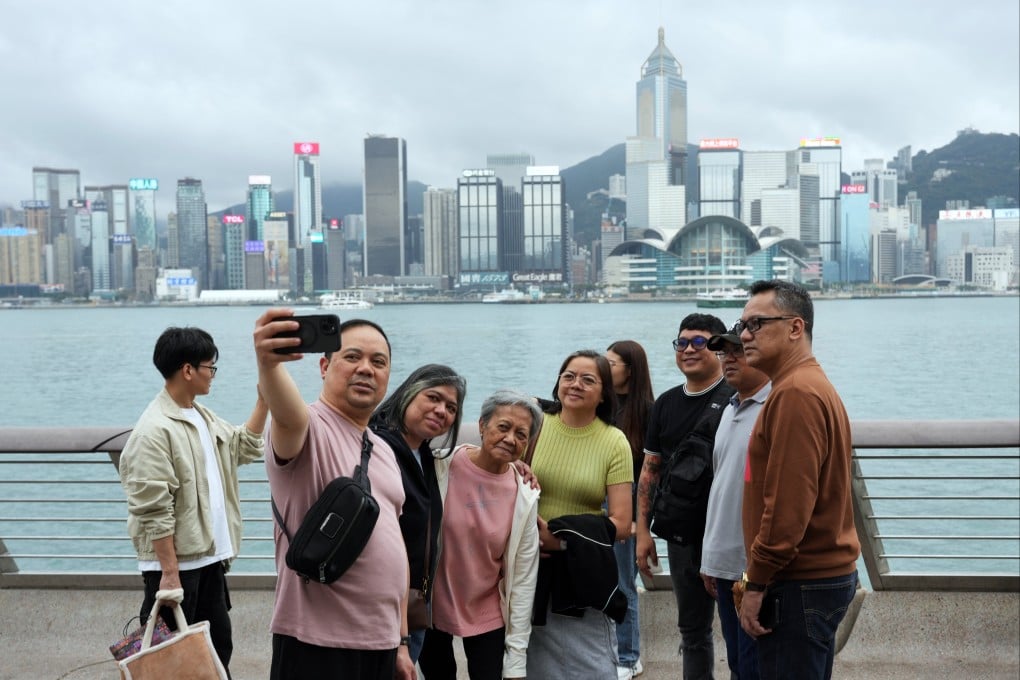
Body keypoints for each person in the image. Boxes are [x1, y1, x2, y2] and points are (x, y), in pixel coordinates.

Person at [253, 310, 415, 680]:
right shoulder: (309, 427)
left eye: (379, 362)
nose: (366, 369)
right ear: (324, 365)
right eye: (352, 357)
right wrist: (269, 364)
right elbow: (287, 414)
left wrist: (401, 640)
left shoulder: (383, 449)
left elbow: (396, 548)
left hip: (381, 642)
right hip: (316, 644)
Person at [119, 326, 267, 675]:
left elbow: (242, 445)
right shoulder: (154, 430)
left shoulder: (200, 415)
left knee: (217, 652)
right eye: (210, 367)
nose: (213, 375)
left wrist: (265, 401)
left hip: (209, 558)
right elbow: (153, 510)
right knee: (172, 663)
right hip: (178, 569)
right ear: (188, 370)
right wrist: (169, 576)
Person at [735, 280, 860, 680]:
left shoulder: (796, 394)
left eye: (756, 323)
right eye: (741, 325)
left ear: (795, 328)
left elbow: (787, 510)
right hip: (813, 581)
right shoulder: (803, 385)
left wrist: (756, 583)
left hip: (799, 583)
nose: (743, 335)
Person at [418, 389, 542, 680]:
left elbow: (523, 579)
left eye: (521, 434)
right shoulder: (439, 466)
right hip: (432, 606)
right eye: (503, 427)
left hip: (487, 610)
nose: (511, 439)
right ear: (482, 426)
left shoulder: (525, 495)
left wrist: (516, 661)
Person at [636, 313, 733, 680]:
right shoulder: (664, 403)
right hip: (681, 534)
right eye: (682, 342)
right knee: (692, 630)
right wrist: (643, 532)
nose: (688, 349)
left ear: (720, 347)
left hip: (729, 531)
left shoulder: (736, 399)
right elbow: (651, 470)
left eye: (699, 342)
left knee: (744, 623)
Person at [527, 350, 633, 680]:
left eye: (588, 380)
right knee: (530, 661)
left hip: (581, 568)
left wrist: (560, 540)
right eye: (569, 376)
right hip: (526, 564)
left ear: (604, 394)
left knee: (590, 664)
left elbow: (621, 523)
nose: (575, 384)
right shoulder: (534, 426)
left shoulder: (614, 442)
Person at [369, 364, 467, 663]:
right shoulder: (377, 447)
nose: (442, 411)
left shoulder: (424, 455)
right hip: (378, 606)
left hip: (412, 603)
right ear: (408, 394)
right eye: (433, 398)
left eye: (451, 407)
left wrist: (516, 468)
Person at [699, 327, 771, 680]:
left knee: (758, 665)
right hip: (724, 566)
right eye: (724, 352)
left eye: (738, 351)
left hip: (754, 570)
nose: (729, 359)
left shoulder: (775, 408)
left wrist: (758, 573)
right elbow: (722, 487)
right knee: (740, 666)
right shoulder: (730, 409)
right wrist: (709, 556)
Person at [606, 340, 655, 680]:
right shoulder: (603, 406)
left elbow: (652, 470)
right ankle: (614, 652)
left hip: (632, 498)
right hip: (601, 498)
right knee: (606, 580)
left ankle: (628, 656)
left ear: (630, 369)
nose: (603, 367)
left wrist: (642, 523)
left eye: (611, 363)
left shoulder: (647, 411)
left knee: (624, 582)